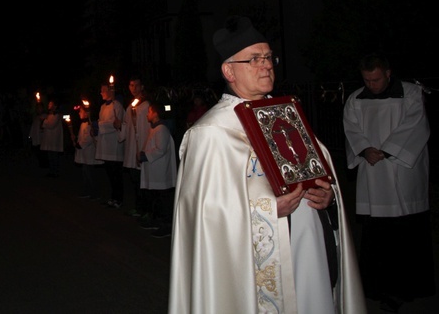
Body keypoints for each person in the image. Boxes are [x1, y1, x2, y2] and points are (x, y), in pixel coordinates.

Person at [169, 16, 365, 313]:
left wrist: (328, 196)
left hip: (309, 246)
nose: (267, 64)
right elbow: (206, 216)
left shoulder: (284, 113)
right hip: (254, 270)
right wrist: (269, 210)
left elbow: (319, 170)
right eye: (254, 59)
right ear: (229, 71)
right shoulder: (210, 133)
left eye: (269, 56)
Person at [343, 53, 434, 312]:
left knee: (406, 231)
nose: (371, 85)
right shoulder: (356, 99)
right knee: (378, 232)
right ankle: (376, 287)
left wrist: (388, 150)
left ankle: (408, 288)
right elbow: (351, 128)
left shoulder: (412, 94)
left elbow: (414, 125)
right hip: (373, 175)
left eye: (376, 79)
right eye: (367, 80)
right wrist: (364, 149)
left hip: (403, 172)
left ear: (388, 73)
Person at [137, 101, 176, 238]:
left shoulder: (161, 129)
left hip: (161, 173)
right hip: (154, 172)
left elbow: (161, 149)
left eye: (149, 111)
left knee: (162, 199)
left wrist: (145, 156)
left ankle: (167, 225)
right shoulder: (154, 129)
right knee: (155, 198)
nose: (147, 114)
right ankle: (156, 221)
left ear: (155, 113)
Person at [118, 75, 151, 218]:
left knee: (142, 180)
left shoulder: (146, 105)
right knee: (134, 179)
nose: (134, 88)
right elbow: (125, 126)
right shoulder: (130, 106)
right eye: (131, 85)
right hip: (132, 147)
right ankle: (138, 207)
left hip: (141, 146)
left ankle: (145, 209)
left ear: (142, 87)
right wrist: (120, 128)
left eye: (136, 85)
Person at [95, 82, 125, 208]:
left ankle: (119, 198)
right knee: (110, 174)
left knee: (116, 174)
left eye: (103, 90)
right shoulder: (102, 107)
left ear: (109, 91)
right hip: (105, 144)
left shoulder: (117, 105)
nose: (101, 92)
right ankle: (113, 197)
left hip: (114, 145)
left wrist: (100, 125)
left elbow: (115, 123)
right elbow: (102, 122)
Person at [73, 103, 103, 199]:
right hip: (84, 154)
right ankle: (87, 191)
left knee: (90, 174)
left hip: (89, 153)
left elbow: (89, 138)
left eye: (81, 111)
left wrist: (79, 144)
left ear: (86, 114)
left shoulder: (90, 124)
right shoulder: (83, 124)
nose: (79, 113)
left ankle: (94, 192)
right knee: (85, 173)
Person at [40, 98, 64, 177]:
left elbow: (51, 125)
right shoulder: (49, 115)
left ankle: (55, 171)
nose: (48, 105)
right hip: (49, 139)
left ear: (55, 106)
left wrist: (44, 120)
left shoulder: (56, 115)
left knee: (54, 156)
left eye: (50, 104)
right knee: (50, 156)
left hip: (54, 140)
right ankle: (52, 171)